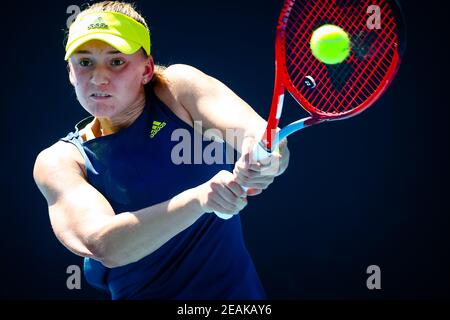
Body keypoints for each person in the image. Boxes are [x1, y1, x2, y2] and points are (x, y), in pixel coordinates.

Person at [33, 1, 290, 300]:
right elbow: (104, 245)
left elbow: (264, 138)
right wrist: (200, 199)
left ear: (147, 69)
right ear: (70, 73)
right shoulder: (60, 162)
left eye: (117, 61)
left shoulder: (178, 90)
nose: (98, 78)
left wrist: (264, 159)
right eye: (85, 62)